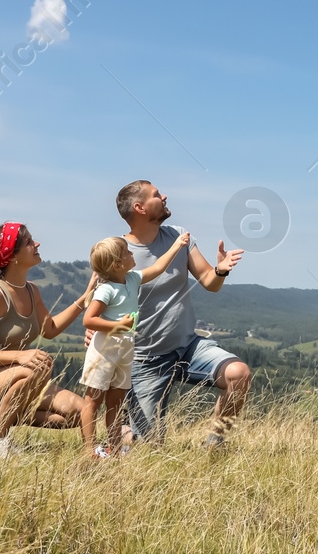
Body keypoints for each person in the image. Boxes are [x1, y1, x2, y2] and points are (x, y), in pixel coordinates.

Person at [114, 180, 249, 447]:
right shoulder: (118, 251)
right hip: (144, 360)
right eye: (156, 195)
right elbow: (95, 297)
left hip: (187, 347)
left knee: (239, 374)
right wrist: (93, 329)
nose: (164, 196)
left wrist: (221, 269)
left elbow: (210, 282)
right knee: (150, 449)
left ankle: (215, 445)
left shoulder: (179, 236)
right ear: (139, 208)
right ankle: (122, 431)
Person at [0, 222, 97, 457]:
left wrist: (86, 297)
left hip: (15, 381)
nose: (36, 244)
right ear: (12, 256)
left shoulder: (31, 291)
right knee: (34, 367)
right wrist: (20, 356)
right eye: (29, 242)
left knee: (78, 411)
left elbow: (49, 329)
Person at [79, 232, 191, 458]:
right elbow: (88, 319)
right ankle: (89, 451)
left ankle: (115, 448)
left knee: (116, 403)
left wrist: (177, 245)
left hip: (124, 350)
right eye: (127, 252)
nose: (132, 254)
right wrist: (118, 325)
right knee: (93, 400)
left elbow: (159, 267)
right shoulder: (106, 289)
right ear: (118, 264)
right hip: (104, 351)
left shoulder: (132, 278)